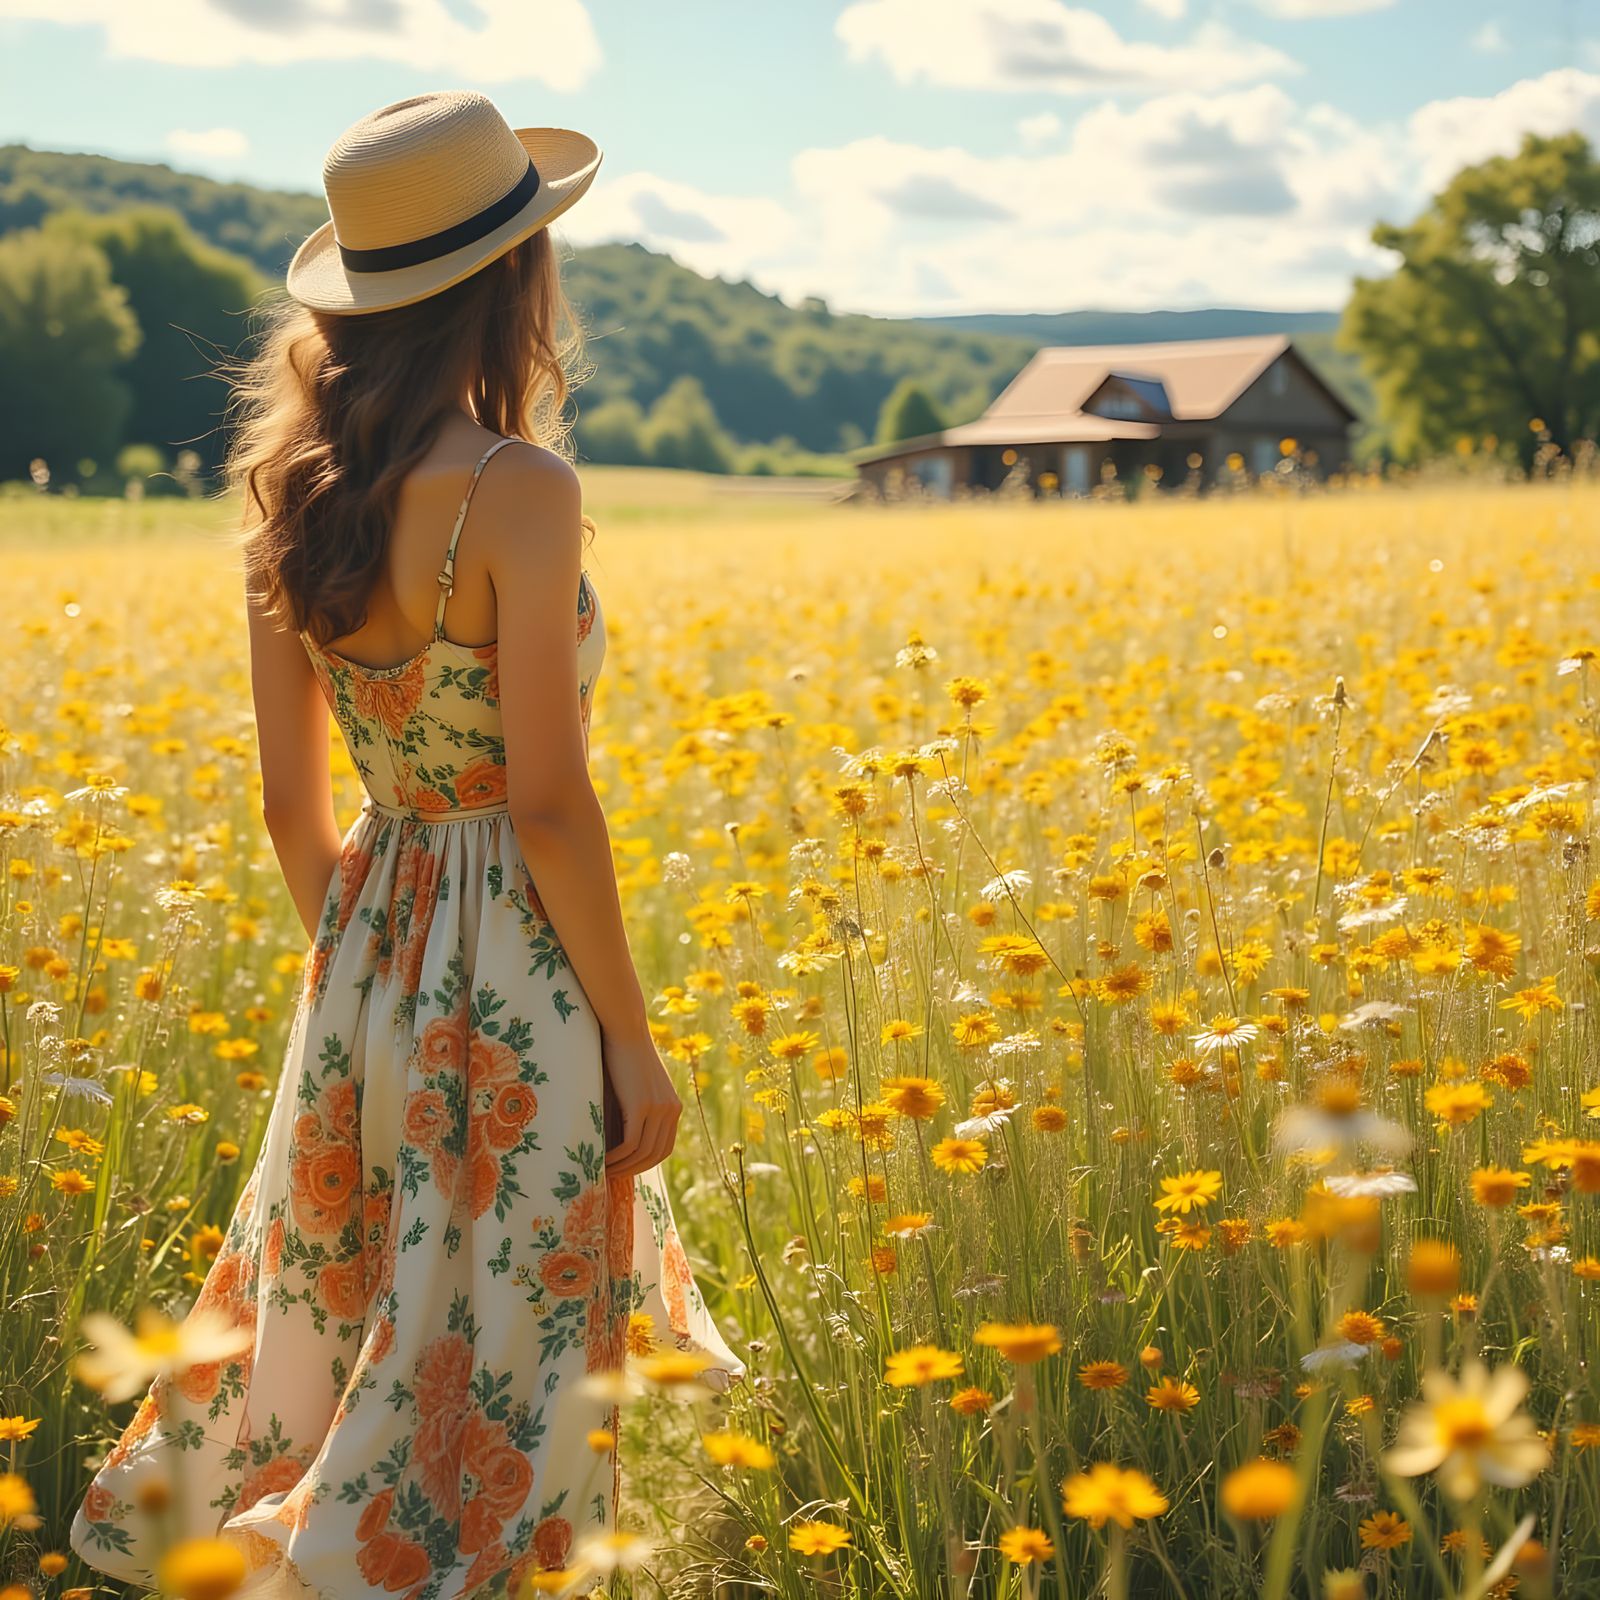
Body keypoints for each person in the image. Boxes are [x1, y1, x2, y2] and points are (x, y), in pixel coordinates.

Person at [68, 89, 745, 1600]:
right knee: (499, 1334)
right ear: (509, 283)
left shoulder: (288, 506)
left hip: (364, 943)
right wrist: (626, 1039)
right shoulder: (521, 489)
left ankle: (284, 1542)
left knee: (358, 1292)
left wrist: (372, 964)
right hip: (517, 955)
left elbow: (287, 808)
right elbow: (552, 803)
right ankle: (334, 1566)